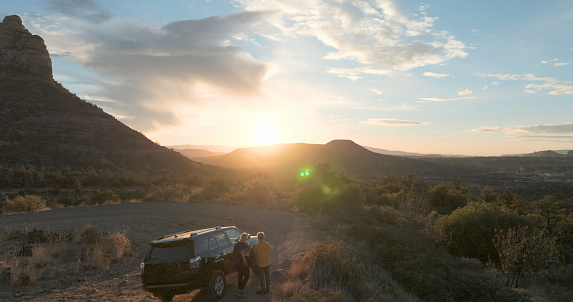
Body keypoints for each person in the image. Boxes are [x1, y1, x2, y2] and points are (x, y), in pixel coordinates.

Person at [232, 233, 251, 298]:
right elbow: (243, 254)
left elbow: (234, 253)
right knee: (247, 276)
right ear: (245, 238)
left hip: (237, 264)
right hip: (243, 264)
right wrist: (245, 262)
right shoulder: (244, 245)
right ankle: (240, 290)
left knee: (240, 276)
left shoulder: (237, 244)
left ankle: (239, 289)